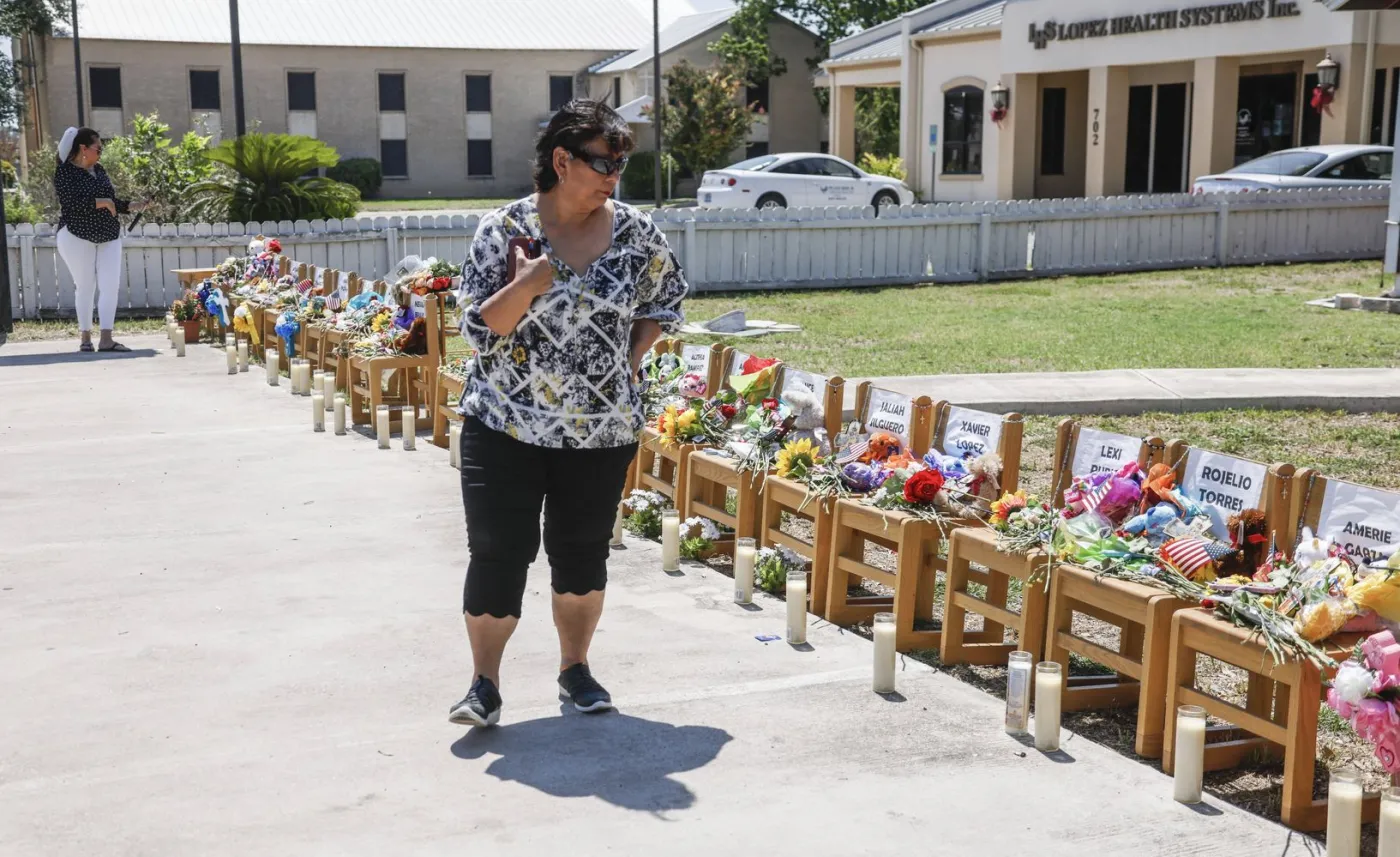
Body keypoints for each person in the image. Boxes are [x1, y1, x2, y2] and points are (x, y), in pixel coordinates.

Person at [449, 100, 687, 727]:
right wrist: (528, 283)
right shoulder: (505, 231)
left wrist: (629, 359)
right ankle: (484, 685)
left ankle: (575, 669)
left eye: (621, 163)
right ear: (561, 161)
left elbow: (667, 296)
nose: (615, 175)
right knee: (499, 550)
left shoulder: (637, 232)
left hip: (602, 432)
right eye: (604, 162)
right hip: (505, 426)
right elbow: (479, 329)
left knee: (581, 555)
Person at [53, 126, 145, 353]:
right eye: (99, 148)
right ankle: (85, 337)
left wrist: (134, 206)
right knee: (85, 286)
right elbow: (72, 205)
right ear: (83, 148)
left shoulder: (100, 170)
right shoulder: (65, 172)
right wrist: (103, 203)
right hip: (76, 234)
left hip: (108, 235)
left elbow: (112, 201)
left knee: (110, 286)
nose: (101, 153)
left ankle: (106, 338)